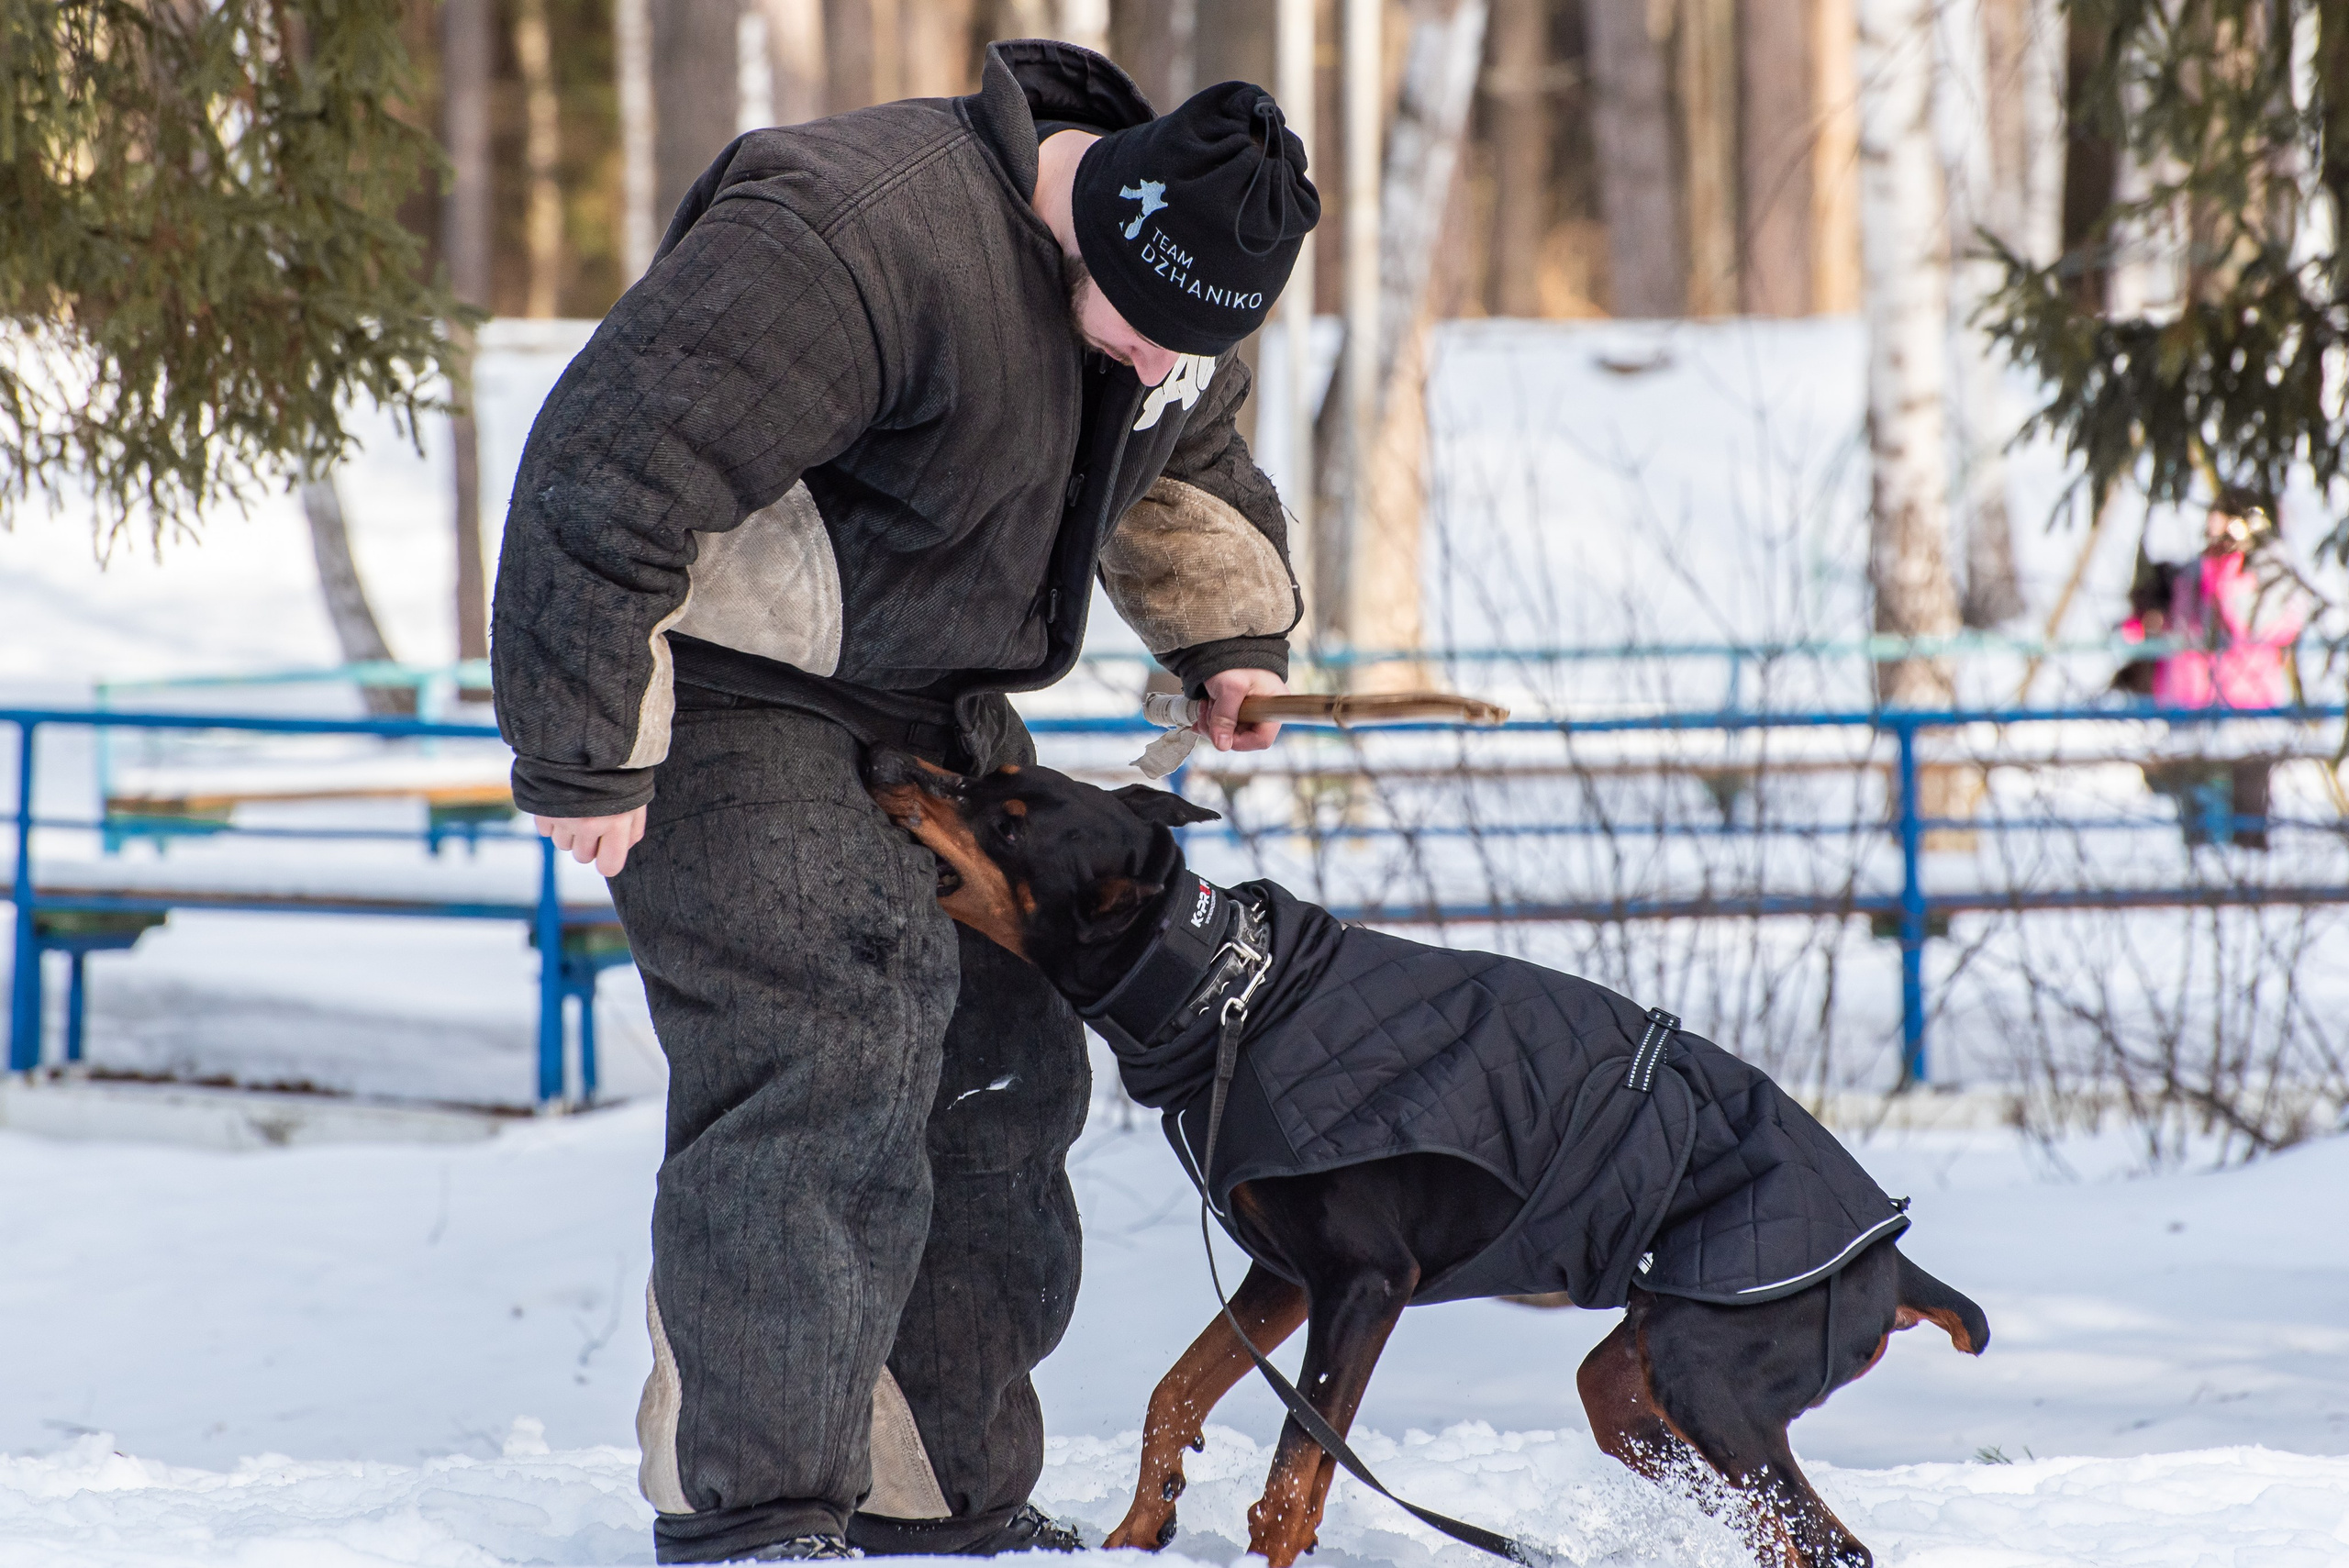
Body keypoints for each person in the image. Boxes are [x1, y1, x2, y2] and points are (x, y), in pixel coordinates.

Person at [489, 40, 1319, 1564]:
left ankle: (934, 1487)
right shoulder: (849, 233)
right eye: (1149, 335)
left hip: (934, 704)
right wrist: (588, 746)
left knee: (1005, 1057)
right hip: (731, 687)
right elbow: (608, 470)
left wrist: (1231, 641)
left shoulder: (1165, 301)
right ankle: (762, 1510)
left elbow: (1183, 456)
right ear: (1103, 220)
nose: (1157, 368)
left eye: (1190, 349)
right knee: (826, 1042)